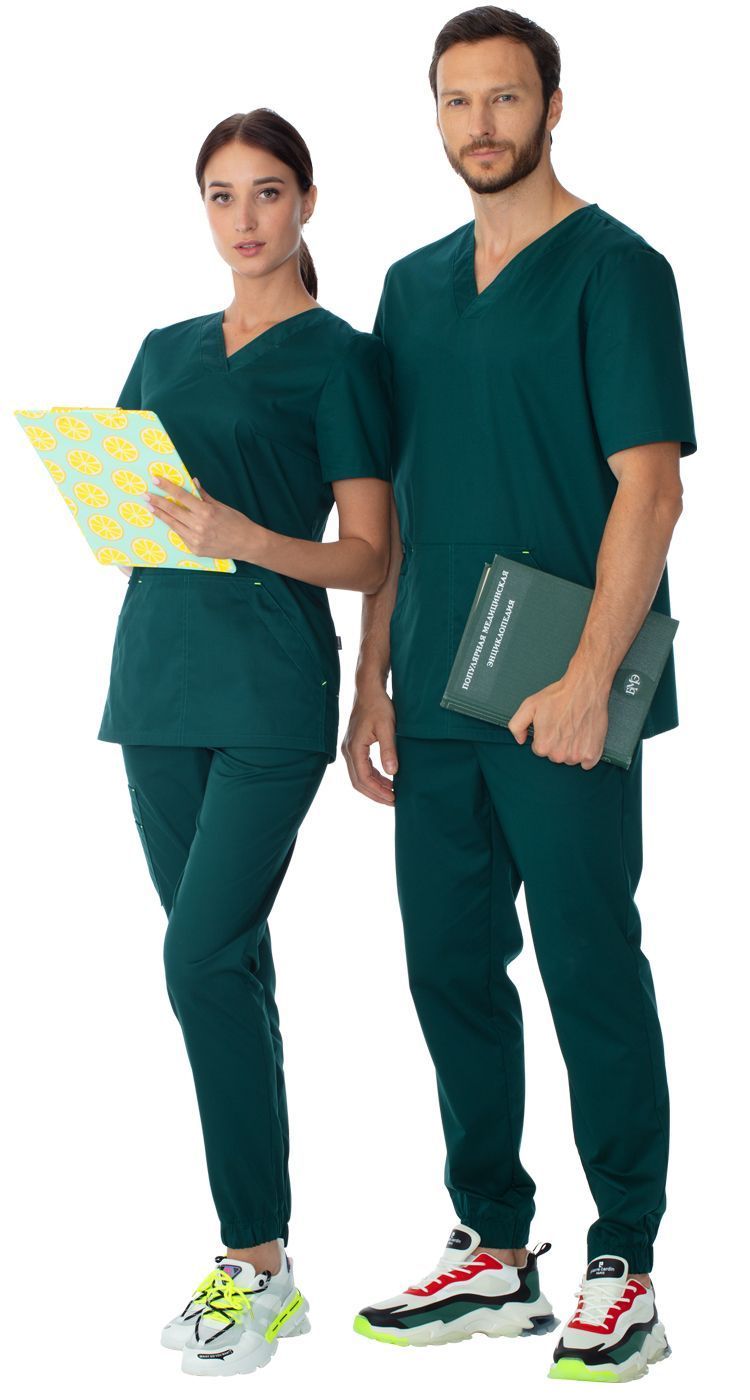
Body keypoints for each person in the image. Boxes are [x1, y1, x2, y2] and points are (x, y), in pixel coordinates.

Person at [343, 6, 695, 1384]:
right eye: (456, 101)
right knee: (447, 966)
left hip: (564, 694)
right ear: (434, 116)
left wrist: (589, 677)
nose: (479, 124)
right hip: (437, 689)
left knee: (588, 963)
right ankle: (494, 1247)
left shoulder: (619, 271)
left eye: (503, 98)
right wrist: (371, 678)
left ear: (552, 105)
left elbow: (649, 491)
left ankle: (626, 1265)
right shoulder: (410, 286)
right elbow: (394, 500)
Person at [97, 108, 392, 1377]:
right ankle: (270, 1263)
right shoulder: (161, 349)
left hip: (271, 690)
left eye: (267, 192)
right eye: (221, 195)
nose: (244, 218)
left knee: (197, 955)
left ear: (306, 203)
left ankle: (252, 1259)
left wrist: (245, 534)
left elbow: (370, 553)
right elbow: (128, 511)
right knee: (226, 967)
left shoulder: (343, 359)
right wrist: (118, 507)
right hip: (155, 686)